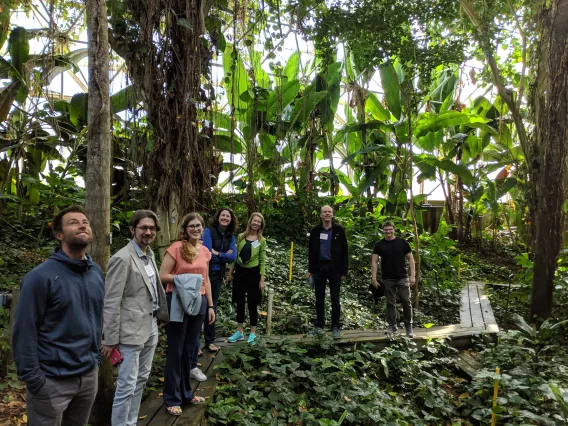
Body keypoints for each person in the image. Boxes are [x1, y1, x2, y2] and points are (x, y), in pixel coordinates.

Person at [12, 205, 104, 425]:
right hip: (52, 380)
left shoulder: (96, 273)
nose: (82, 224)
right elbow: (24, 330)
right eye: (73, 222)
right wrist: (34, 379)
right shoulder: (40, 277)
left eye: (85, 221)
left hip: (88, 375)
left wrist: (96, 359)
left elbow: (98, 317)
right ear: (59, 234)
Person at [101, 210, 169, 425]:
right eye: (143, 228)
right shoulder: (121, 259)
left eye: (152, 228)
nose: (148, 232)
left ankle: (130, 422)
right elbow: (112, 302)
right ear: (132, 230)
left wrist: (159, 314)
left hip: (150, 327)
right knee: (126, 385)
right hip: (129, 332)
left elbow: (151, 290)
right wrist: (110, 339)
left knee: (140, 380)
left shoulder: (148, 255)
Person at [159, 213, 215, 416]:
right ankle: (171, 398)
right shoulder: (175, 248)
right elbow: (162, 275)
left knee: (190, 349)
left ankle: (186, 393)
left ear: (203, 227)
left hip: (199, 302)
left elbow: (206, 280)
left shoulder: (205, 251)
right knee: (176, 349)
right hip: (178, 302)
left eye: (198, 225)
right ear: (185, 228)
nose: (195, 228)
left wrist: (210, 306)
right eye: (191, 226)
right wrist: (186, 281)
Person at [199, 208, 238, 356]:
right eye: (223, 215)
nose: (225, 218)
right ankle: (196, 343)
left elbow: (233, 257)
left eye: (228, 216)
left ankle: (209, 341)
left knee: (212, 307)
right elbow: (206, 253)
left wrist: (217, 253)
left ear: (231, 219)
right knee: (200, 307)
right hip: (204, 274)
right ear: (218, 217)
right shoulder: (209, 231)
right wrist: (222, 255)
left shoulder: (230, 236)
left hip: (217, 276)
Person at [307, 205, 349, 338]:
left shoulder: (339, 230)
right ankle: (320, 325)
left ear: (332, 214)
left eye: (329, 212)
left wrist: (344, 271)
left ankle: (335, 326)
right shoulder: (315, 231)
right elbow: (311, 251)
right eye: (324, 212)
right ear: (320, 215)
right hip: (319, 269)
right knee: (319, 299)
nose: (327, 214)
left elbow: (345, 252)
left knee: (335, 298)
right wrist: (310, 270)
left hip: (335, 269)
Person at [227, 212, 267, 344]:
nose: (256, 223)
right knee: (240, 302)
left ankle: (253, 333)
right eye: (254, 221)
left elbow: (262, 261)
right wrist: (230, 272)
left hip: (253, 274)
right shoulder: (241, 237)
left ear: (261, 225)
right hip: (240, 272)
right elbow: (235, 255)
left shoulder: (261, 240)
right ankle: (239, 331)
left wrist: (262, 280)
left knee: (252, 303)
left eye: (258, 222)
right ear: (250, 221)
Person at [371, 220, 416, 337]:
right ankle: (392, 326)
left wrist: (412, 275)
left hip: (402, 277)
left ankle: (408, 327)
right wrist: (374, 278)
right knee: (390, 303)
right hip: (388, 278)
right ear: (383, 231)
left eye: (390, 229)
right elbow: (374, 261)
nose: (388, 232)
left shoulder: (402, 243)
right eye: (386, 230)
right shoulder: (379, 245)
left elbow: (411, 259)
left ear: (394, 229)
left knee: (406, 301)